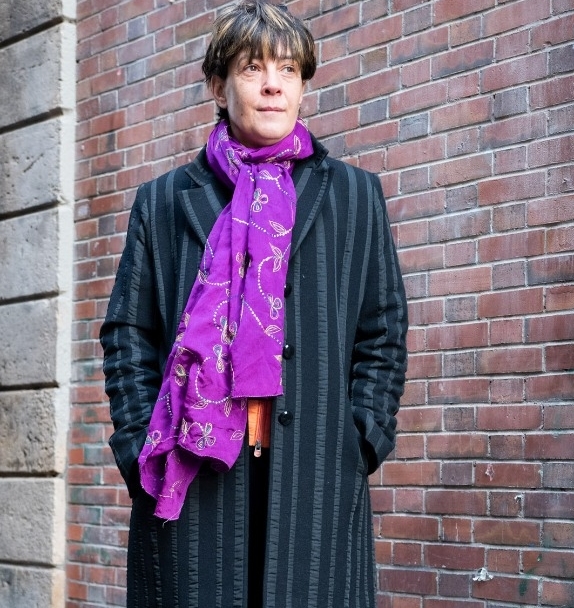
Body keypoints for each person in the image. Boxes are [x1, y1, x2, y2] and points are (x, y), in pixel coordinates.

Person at [100, 1, 408, 606]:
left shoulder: (354, 196)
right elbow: (127, 334)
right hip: (193, 480)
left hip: (317, 479)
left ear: (302, 85)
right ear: (218, 86)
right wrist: (139, 449)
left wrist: (362, 438)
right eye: (252, 68)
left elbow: (383, 329)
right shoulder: (163, 202)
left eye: (288, 69)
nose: (273, 84)